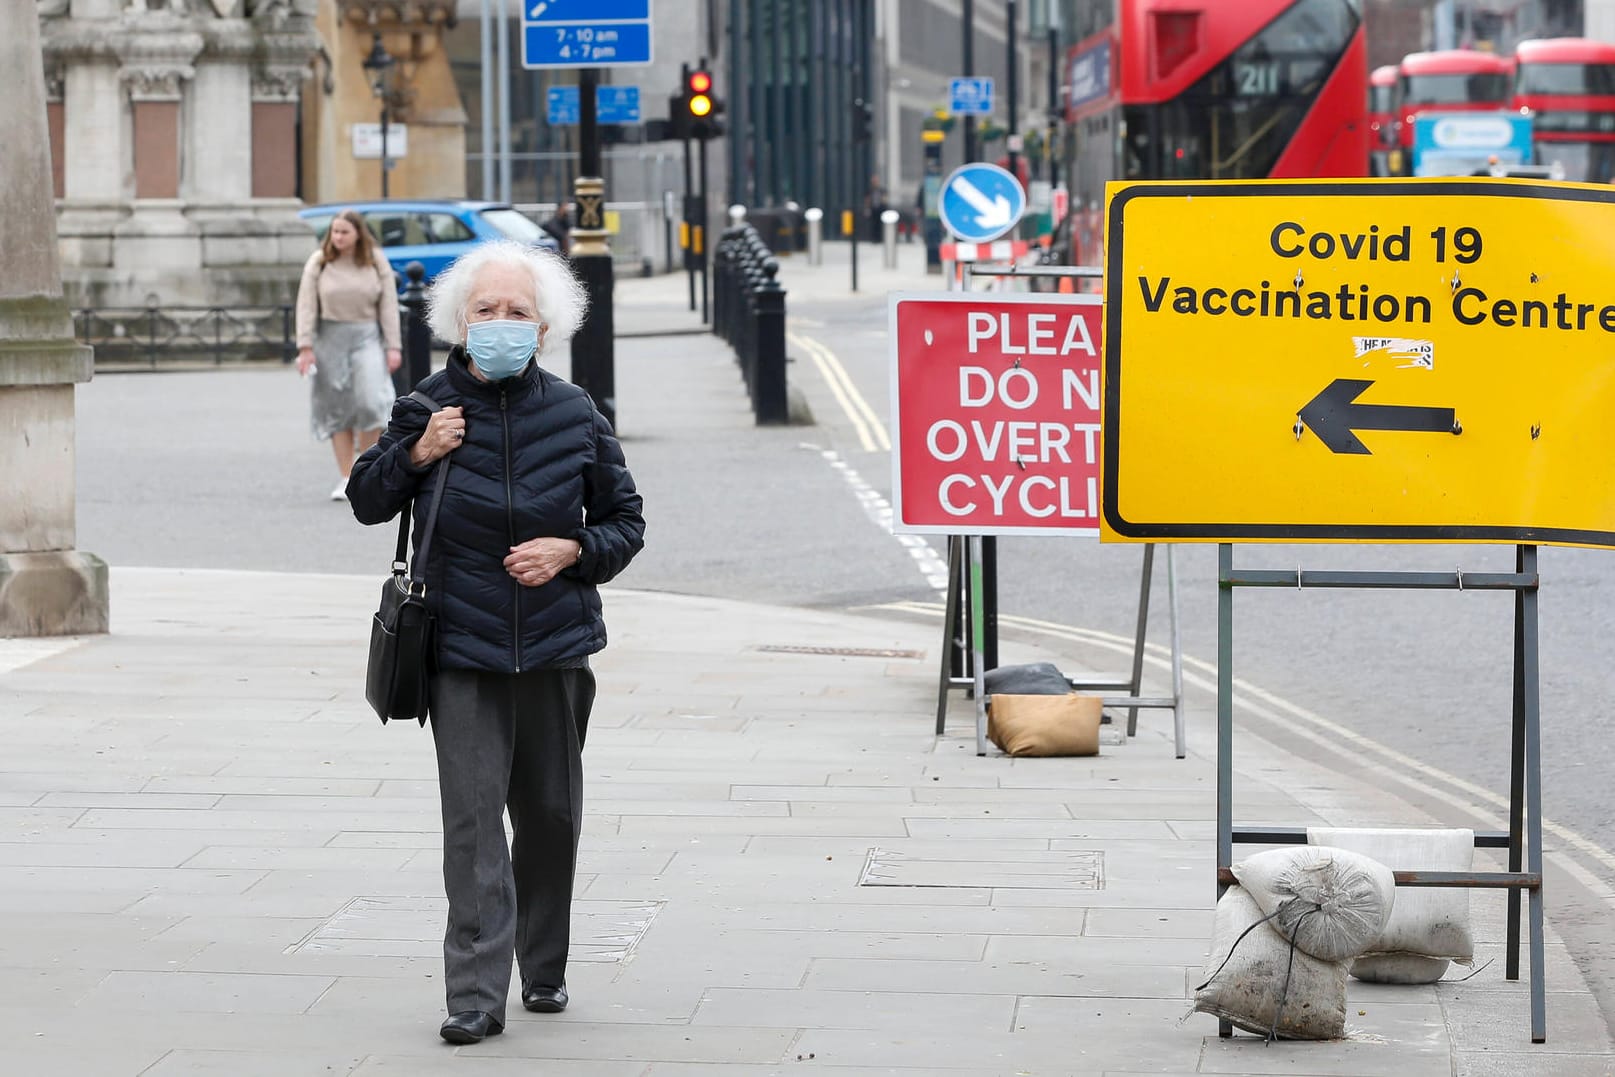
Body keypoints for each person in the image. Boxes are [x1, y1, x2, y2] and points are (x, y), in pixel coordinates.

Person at [346, 240, 645, 1046]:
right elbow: (367, 500)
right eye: (487, 311)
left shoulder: (576, 412)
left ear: (543, 328)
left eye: (518, 312)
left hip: (555, 646)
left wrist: (572, 552)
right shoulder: (427, 404)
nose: (501, 324)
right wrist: (415, 452)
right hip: (460, 647)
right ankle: (475, 992)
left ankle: (543, 967)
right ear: (460, 320)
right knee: (474, 822)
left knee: (549, 816)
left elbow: (626, 522)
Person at [295, 209, 402, 500]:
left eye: (344, 232)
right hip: (329, 337)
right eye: (334, 232)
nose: (338, 237)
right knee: (337, 408)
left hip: (366, 336)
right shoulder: (319, 263)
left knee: (370, 402)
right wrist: (305, 346)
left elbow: (389, 305)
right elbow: (306, 305)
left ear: (358, 235)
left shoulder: (374, 261)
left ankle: (364, 472)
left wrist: (393, 345)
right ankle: (346, 475)